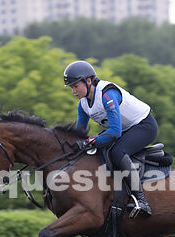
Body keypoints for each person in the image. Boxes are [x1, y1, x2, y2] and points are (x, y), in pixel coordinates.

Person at [63, 60, 158, 218]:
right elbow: (79, 134)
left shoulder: (107, 94)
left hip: (144, 126)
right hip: (126, 129)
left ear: (88, 81)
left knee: (117, 152)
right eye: (71, 88)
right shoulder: (83, 105)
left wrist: (89, 141)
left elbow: (114, 132)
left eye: (75, 86)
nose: (73, 91)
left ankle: (142, 201)